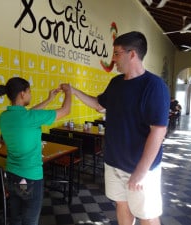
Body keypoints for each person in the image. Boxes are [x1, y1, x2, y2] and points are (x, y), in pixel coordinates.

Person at [70, 31, 170, 225]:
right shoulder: (116, 83)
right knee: (121, 205)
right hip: (113, 162)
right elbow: (99, 104)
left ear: (132, 54)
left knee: (147, 215)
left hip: (140, 166)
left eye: (117, 53)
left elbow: (158, 131)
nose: (113, 59)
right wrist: (74, 91)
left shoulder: (154, 86)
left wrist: (141, 171)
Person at [0, 77, 71, 225]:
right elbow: (66, 110)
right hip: (30, 179)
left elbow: (28, 113)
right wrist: (69, 92)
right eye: (29, 92)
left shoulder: (4, 117)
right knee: (30, 219)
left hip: (12, 176)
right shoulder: (30, 118)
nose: (30, 95)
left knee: (16, 217)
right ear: (22, 94)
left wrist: (49, 99)